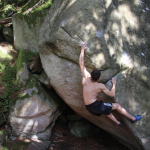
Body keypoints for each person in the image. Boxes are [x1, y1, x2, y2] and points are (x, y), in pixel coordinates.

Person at [79, 44, 141, 127]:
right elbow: (111, 95)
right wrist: (114, 84)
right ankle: (133, 119)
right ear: (99, 77)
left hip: (88, 107)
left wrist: (82, 49)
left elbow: (81, 64)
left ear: (91, 74)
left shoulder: (86, 78)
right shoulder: (99, 86)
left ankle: (118, 123)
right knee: (117, 106)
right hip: (95, 106)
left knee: (105, 109)